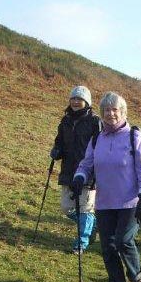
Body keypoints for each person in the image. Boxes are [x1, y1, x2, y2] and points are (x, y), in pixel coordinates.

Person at [71, 92, 141, 282]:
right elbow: (86, 164)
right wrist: (80, 178)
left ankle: (136, 277)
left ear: (123, 112)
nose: (111, 114)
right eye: (107, 110)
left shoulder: (134, 137)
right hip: (105, 202)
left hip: (130, 202)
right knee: (107, 246)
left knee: (124, 241)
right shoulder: (97, 139)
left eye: (115, 110)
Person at [50, 86, 102, 254]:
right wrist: (56, 150)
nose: (75, 102)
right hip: (68, 170)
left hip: (88, 171)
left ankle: (81, 243)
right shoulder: (65, 121)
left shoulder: (95, 122)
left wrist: (95, 170)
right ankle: (92, 224)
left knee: (85, 208)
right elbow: (59, 141)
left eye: (79, 99)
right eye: (73, 98)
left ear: (86, 102)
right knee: (66, 208)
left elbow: (99, 146)